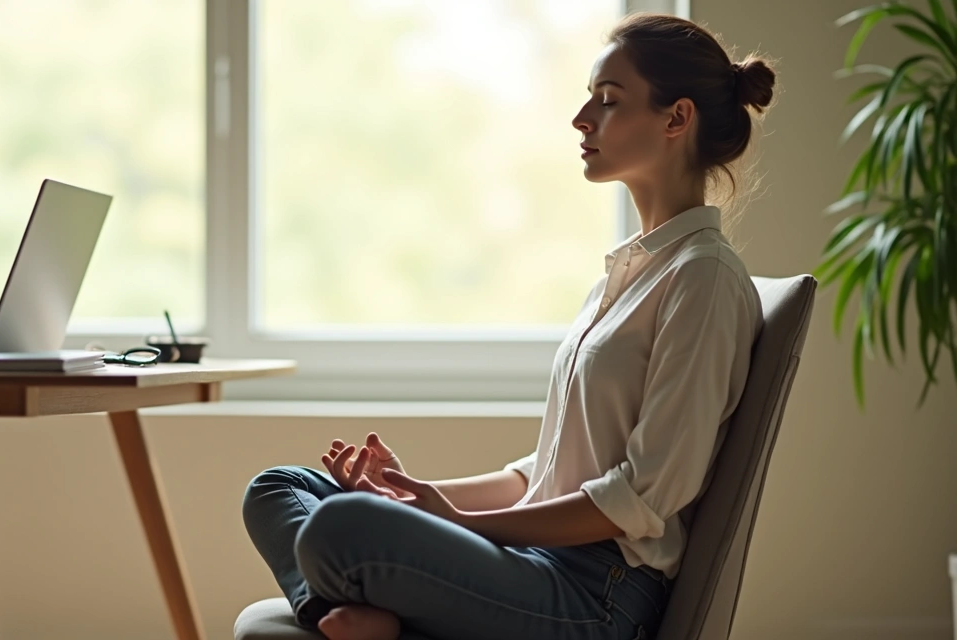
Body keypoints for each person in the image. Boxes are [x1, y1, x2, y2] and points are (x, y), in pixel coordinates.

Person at [241, 12, 775, 640]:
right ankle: (357, 620)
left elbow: (641, 499)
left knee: (341, 528)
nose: (582, 118)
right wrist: (417, 496)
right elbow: (542, 472)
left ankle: (373, 613)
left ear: (675, 119)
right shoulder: (628, 272)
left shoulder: (702, 278)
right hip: (535, 560)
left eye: (607, 101)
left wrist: (457, 525)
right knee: (279, 487)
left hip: (598, 593)